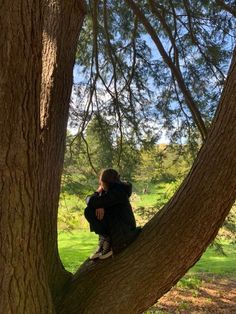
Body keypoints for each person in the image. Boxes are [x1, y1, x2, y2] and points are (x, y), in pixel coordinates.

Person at [84, 168, 141, 260]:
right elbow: (97, 202)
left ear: (105, 182)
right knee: (90, 211)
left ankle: (108, 240)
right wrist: (100, 205)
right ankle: (105, 238)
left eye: (101, 182)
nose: (101, 185)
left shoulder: (117, 192)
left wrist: (97, 193)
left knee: (89, 210)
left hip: (123, 233)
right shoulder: (114, 190)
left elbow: (90, 200)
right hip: (118, 226)